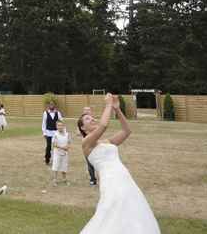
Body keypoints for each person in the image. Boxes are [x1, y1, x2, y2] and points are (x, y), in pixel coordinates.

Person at [78, 94, 160, 233]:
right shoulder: (86, 144)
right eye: (87, 118)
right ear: (83, 128)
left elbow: (127, 131)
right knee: (112, 211)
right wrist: (108, 104)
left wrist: (117, 109)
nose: (92, 118)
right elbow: (104, 125)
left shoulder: (107, 142)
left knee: (131, 210)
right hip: (110, 181)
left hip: (124, 177)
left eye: (92, 117)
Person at [42, 100, 63, 165]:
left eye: (53, 104)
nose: (51, 106)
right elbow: (44, 123)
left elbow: (61, 122)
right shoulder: (45, 113)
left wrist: (62, 131)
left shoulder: (58, 113)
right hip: (48, 132)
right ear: (48, 106)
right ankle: (47, 159)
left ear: (54, 105)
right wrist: (44, 133)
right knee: (48, 146)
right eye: (50, 104)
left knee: (56, 146)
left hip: (56, 132)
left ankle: (56, 159)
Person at [81, 106, 98, 186]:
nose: (87, 111)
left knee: (97, 162)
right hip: (87, 146)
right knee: (89, 163)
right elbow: (78, 132)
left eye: (88, 110)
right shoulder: (82, 121)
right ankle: (92, 179)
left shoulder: (93, 120)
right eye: (85, 110)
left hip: (95, 144)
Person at [51, 121, 70, 186]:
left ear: (64, 126)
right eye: (58, 125)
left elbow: (69, 142)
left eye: (61, 125)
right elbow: (54, 144)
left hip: (65, 153)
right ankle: (55, 180)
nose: (60, 127)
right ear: (56, 126)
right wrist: (62, 148)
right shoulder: (55, 134)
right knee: (56, 166)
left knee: (64, 166)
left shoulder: (67, 134)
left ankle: (65, 179)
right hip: (57, 153)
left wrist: (67, 147)